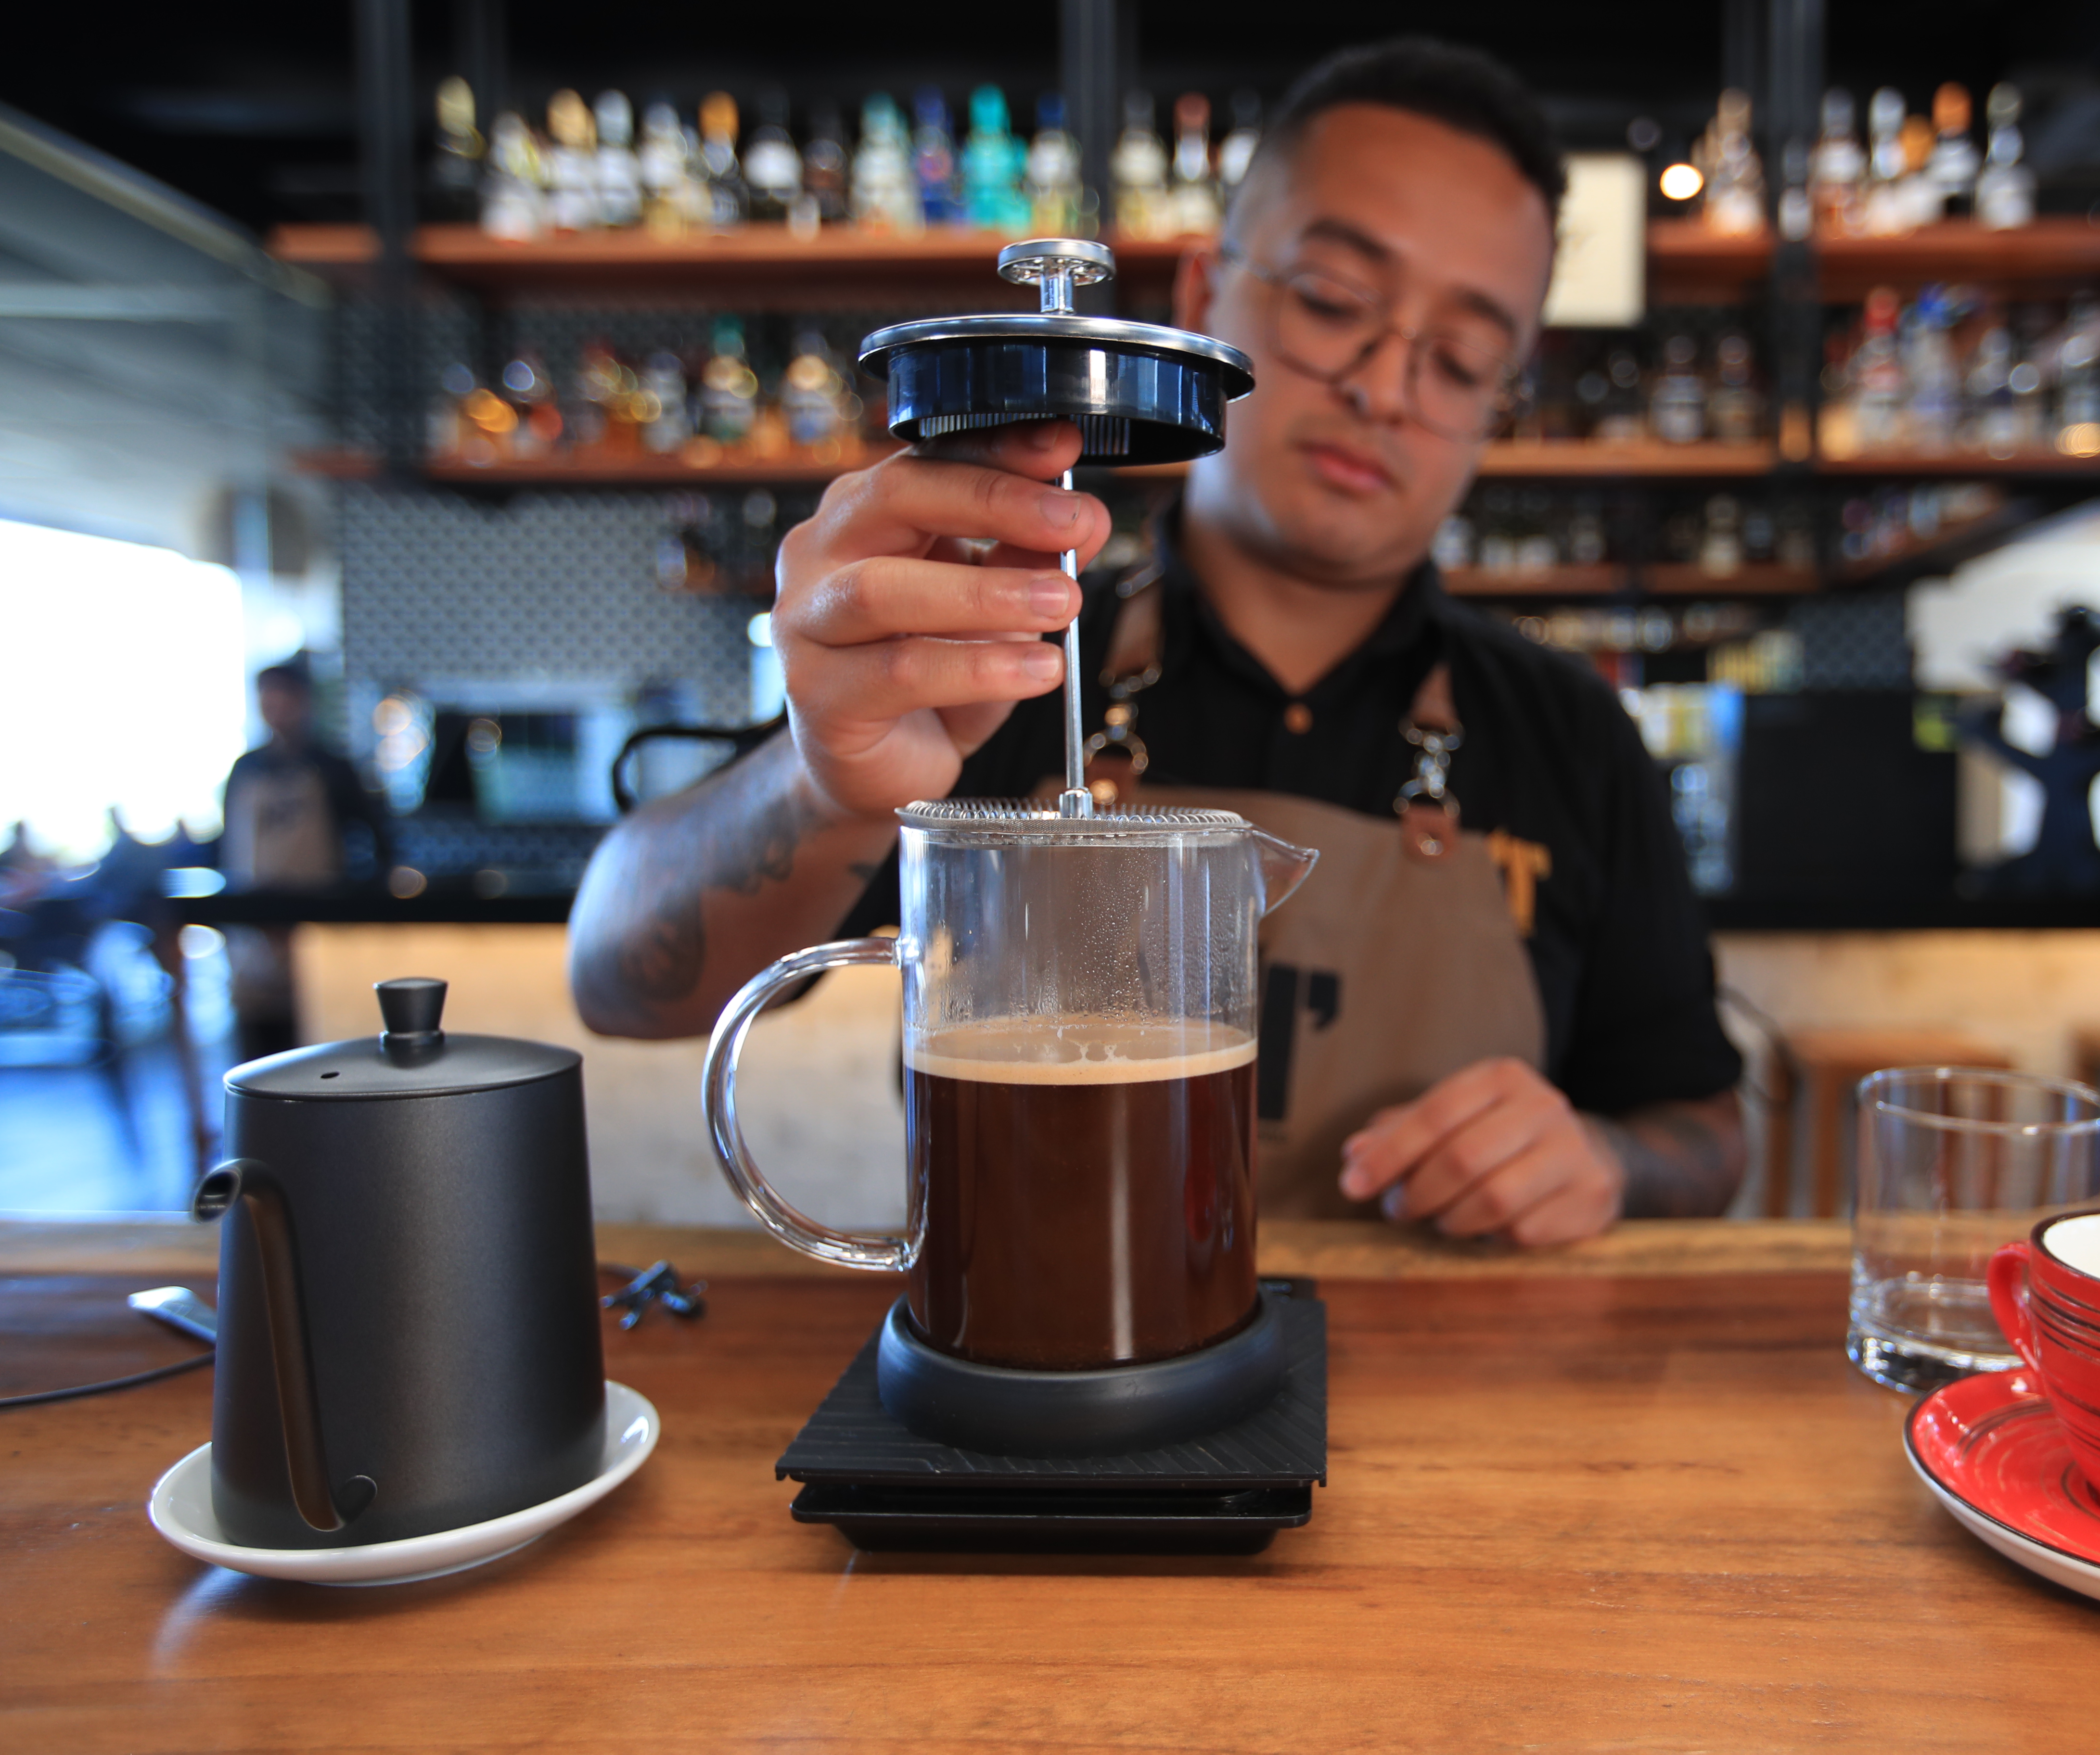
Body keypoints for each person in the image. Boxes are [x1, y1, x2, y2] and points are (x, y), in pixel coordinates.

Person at [570, 39, 1746, 1244]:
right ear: (1198, 303)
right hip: (1035, 1362)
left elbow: (1706, 1129)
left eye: (1459, 359)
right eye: (1336, 303)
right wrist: (826, 785)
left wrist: (1604, 1158)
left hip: (1446, 1390)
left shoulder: (1567, 733)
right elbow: (618, 982)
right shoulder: (992, 645)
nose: (1384, 387)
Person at [220, 661, 392, 1058]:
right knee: (259, 1043)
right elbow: (228, 849)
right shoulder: (245, 770)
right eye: (267, 700)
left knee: (322, 1039)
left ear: (304, 702)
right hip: (255, 929)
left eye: (284, 698)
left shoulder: (332, 767)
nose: (275, 709)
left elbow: (380, 843)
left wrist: (352, 902)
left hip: (317, 925)